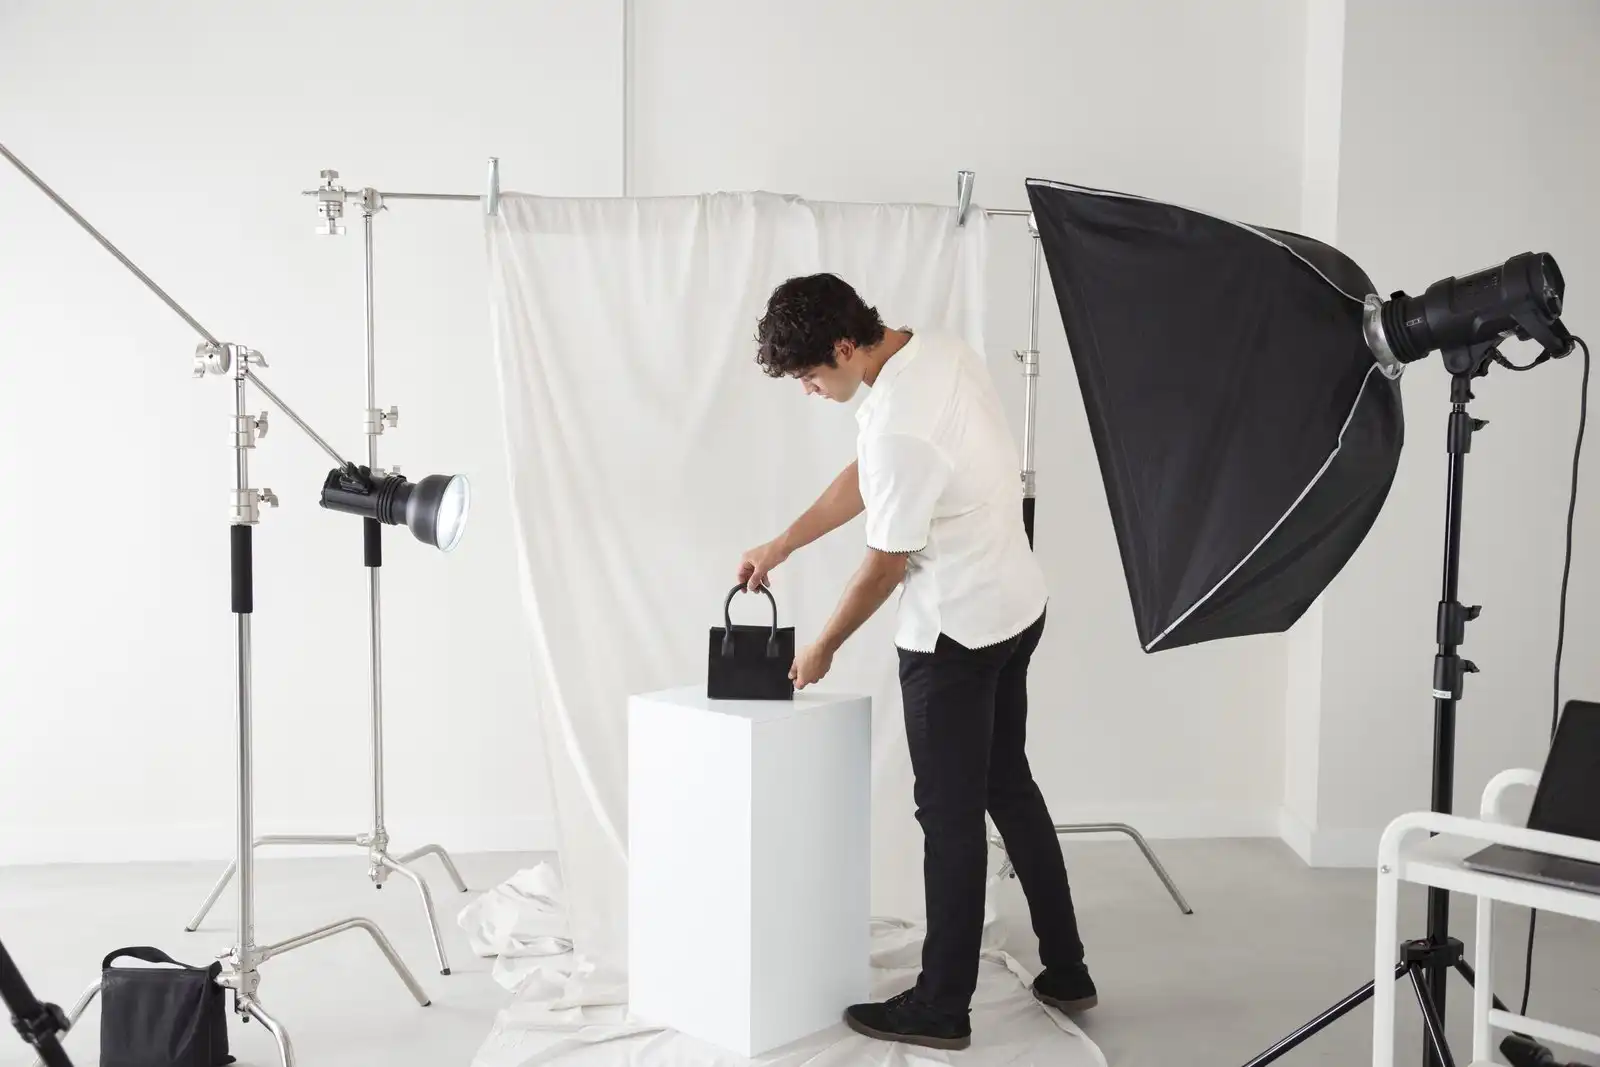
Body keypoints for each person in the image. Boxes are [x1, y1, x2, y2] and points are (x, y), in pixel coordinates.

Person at [737, 273, 1096, 1050]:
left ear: (842, 346)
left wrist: (822, 645)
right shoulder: (936, 351)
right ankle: (1067, 968)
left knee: (951, 821)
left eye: (808, 377)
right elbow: (872, 475)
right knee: (1010, 786)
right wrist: (785, 542)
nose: (808, 390)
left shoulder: (898, 420)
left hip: (956, 638)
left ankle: (942, 1004)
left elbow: (884, 565)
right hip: (1017, 603)